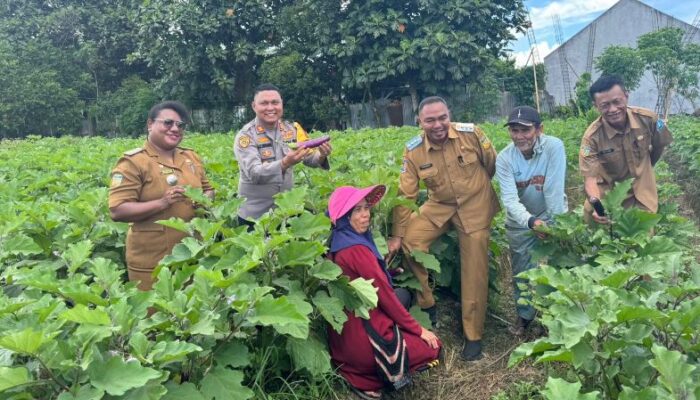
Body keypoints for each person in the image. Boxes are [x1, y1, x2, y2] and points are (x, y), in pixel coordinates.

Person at [386, 96, 500, 361]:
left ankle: (473, 336)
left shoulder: (471, 134)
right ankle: (427, 302)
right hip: (440, 204)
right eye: (430, 120)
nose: (437, 125)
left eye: (442, 118)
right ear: (420, 122)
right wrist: (395, 234)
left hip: (475, 204)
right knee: (410, 240)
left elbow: (491, 164)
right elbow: (406, 193)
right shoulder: (413, 150)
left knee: (474, 269)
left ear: (449, 116)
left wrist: (478, 191)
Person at [327, 185, 441, 400]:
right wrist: (419, 330)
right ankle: (366, 379)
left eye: (366, 208)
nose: (365, 215)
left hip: (344, 338)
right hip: (362, 338)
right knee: (432, 347)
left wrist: (387, 272)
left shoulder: (339, 240)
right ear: (344, 217)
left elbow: (360, 278)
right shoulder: (358, 250)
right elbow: (385, 297)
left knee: (403, 295)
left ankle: (358, 370)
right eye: (357, 210)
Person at [109, 101, 215, 290]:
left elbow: (208, 188)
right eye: (168, 123)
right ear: (150, 124)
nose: (175, 129)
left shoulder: (191, 157)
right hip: (153, 261)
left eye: (180, 125)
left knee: (194, 313)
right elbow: (118, 210)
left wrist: (203, 201)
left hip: (193, 253)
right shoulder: (134, 162)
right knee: (156, 313)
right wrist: (162, 203)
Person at [495, 106, 568, 336]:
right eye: (514, 130)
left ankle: (557, 316)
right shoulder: (505, 158)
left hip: (551, 215)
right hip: (522, 221)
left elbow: (553, 189)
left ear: (539, 129)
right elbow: (509, 200)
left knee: (560, 265)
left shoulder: (554, 147)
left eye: (525, 130)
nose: (519, 136)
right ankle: (525, 316)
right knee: (521, 270)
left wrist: (553, 225)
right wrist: (531, 222)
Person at [234, 84, 332, 227]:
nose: (270, 108)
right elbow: (254, 174)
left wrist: (321, 155)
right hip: (255, 217)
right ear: (254, 106)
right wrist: (285, 163)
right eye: (264, 103)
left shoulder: (292, 130)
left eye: (275, 102)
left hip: (287, 212)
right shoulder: (246, 137)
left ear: (281, 104)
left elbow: (310, 158)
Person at [579, 75, 673, 224]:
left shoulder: (649, 119)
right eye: (605, 105)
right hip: (610, 196)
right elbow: (590, 178)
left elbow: (660, 144)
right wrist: (595, 201)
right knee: (600, 235)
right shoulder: (591, 138)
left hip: (643, 192)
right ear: (596, 106)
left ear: (626, 96)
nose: (613, 109)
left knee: (643, 238)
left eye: (617, 102)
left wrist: (646, 167)